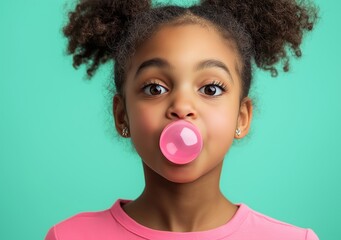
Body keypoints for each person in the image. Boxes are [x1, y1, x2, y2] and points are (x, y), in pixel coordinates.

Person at [46, 0, 319, 239]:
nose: (182, 107)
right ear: (121, 115)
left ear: (242, 117)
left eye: (211, 89)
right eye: (155, 88)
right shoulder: (68, 236)